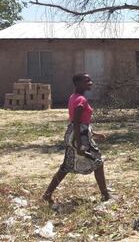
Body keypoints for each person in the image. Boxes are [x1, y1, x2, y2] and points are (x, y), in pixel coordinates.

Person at [42, 73, 110, 204]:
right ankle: (105, 195)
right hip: (79, 136)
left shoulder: (73, 97)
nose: (90, 82)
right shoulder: (81, 100)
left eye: (90, 80)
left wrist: (94, 134)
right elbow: (78, 122)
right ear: (78, 83)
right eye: (86, 81)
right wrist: (79, 145)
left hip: (74, 134)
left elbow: (77, 122)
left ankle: (47, 194)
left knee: (66, 166)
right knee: (98, 162)